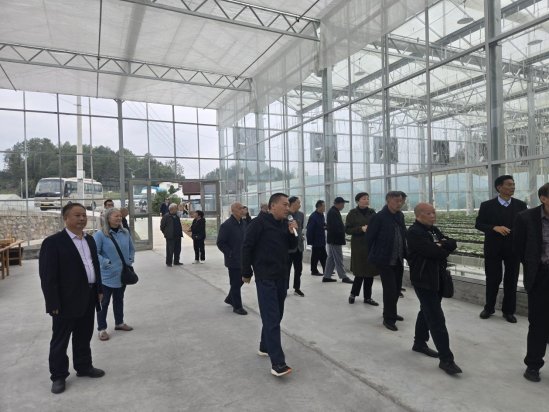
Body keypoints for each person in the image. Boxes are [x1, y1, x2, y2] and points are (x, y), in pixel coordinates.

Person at [39, 203, 105, 394]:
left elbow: (94, 266)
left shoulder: (89, 240)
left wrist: (99, 289)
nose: (82, 218)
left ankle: (84, 366)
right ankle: (58, 376)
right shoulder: (53, 243)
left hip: (89, 296)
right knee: (60, 340)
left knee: (84, 335)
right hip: (65, 301)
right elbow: (48, 276)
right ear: (66, 218)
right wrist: (52, 303)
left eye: (84, 215)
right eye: (77, 215)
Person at [241, 193, 298, 377]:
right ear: (273, 206)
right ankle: (278, 363)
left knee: (276, 315)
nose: (288, 208)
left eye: (288, 205)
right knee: (272, 317)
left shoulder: (284, 224)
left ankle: (264, 346)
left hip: (281, 275)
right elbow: (247, 247)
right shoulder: (258, 223)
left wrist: (292, 233)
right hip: (265, 277)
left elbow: (291, 247)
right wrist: (246, 272)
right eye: (284, 205)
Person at [407, 203, 462, 375]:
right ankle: (446, 359)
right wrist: (442, 247)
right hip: (423, 280)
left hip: (437, 278)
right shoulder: (414, 232)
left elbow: (452, 243)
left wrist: (442, 245)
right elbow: (435, 252)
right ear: (418, 215)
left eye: (434, 212)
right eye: (429, 213)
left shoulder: (433, 230)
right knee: (436, 318)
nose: (433, 216)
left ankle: (419, 342)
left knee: (426, 311)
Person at [476, 175, 527, 323]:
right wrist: (494, 227)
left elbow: (525, 225)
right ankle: (489, 308)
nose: (513, 187)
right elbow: (479, 224)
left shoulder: (520, 205)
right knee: (493, 278)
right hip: (493, 248)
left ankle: (508, 311)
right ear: (499, 187)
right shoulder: (487, 205)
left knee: (511, 279)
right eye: (509, 184)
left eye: (513, 184)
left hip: (513, 248)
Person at [514, 183, 549, 382]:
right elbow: (518, 249)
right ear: (543, 199)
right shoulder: (525, 218)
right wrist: (532, 267)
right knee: (538, 323)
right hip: (541, 276)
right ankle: (533, 365)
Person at [366, 191, 407, 331]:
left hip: (398, 259)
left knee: (396, 289)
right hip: (384, 259)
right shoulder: (378, 217)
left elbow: (403, 234)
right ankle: (389, 319)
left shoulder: (400, 216)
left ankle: (391, 312)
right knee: (390, 289)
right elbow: (369, 238)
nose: (399, 203)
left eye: (401, 201)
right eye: (396, 201)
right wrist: (375, 255)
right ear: (388, 201)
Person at [93, 207, 135, 341]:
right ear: (108, 218)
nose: (119, 218)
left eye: (120, 216)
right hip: (106, 275)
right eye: (116, 216)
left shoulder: (125, 232)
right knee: (104, 303)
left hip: (122, 274)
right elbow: (94, 253)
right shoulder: (100, 235)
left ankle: (119, 323)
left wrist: (130, 259)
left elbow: (131, 248)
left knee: (119, 299)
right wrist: (106, 262)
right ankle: (102, 329)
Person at [345, 192, 379, 306]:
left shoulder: (372, 212)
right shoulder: (352, 213)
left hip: (371, 246)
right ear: (358, 201)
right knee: (359, 272)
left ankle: (367, 297)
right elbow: (347, 229)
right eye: (364, 198)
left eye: (367, 198)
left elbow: (378, 226)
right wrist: (360, 229)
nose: (366, 200)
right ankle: (353, 294)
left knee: (370, 272)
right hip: (358, 246)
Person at [217, 202, 248, 315]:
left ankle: (230, 298)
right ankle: (237, 306)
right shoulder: (226, 225)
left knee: (242, 280)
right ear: (233, 210)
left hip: (244, 258)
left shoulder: (243, 223)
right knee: (235, 283)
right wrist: (230, 253)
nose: (242, 210)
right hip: (233, 260)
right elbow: (220, 243)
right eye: (240, 208)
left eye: (243, 208)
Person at [323, 197, 353, 284]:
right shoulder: (333, 212)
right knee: (338, 258)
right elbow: (335, 227)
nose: (343, 206)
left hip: (333, 239)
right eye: (342, 204)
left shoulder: (334, 211)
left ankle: (327, 276)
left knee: (331, 258)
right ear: (338, 204)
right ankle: (343, 276)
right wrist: (345, 228)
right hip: (335, 239)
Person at [287, 196, 305, 297]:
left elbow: (300, 229)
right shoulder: (285, 215)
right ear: (293, 203)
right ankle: (284, 288)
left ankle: (297, 288)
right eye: (298, 202)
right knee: (286, 269)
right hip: (289, 249)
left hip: (299, 247)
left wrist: (301, 236)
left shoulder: (301, 215)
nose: (300, 204)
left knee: (298, 269)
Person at [306, 200, 327, 276]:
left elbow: (322, 224)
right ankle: (314, 270)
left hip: (321, 239)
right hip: (316, 240)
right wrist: (310, 241)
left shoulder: (321, 215)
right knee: (316, 256)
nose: (324, 208)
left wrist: (325, 226)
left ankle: (326, 270)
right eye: (323, 206)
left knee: (323, 255)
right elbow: (310, 229)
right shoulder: (313, 216)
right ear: (319, 207)